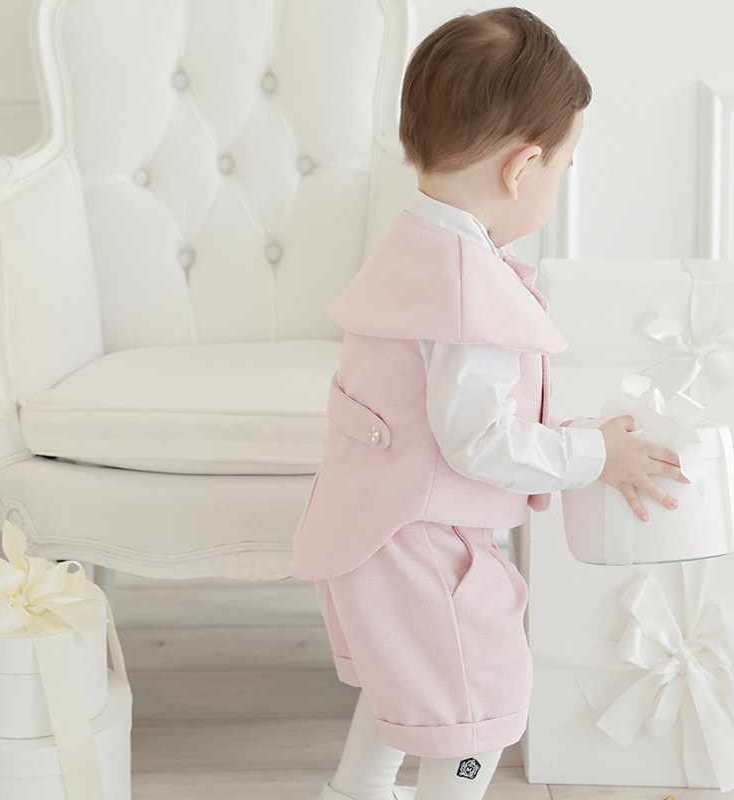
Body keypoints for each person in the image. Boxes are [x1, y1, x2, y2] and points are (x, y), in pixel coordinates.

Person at [292, 8, 685, 800]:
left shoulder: (415, 249)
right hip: (423, 544)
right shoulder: (468, 292)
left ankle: (356, 791)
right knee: (477, 708)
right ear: (523, 167)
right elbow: (479, 442)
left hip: (373, 529)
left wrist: (571, 436)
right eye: (563, 169)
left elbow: (440, 418)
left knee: (412, 681)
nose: (557, 184)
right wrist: (594, 456)